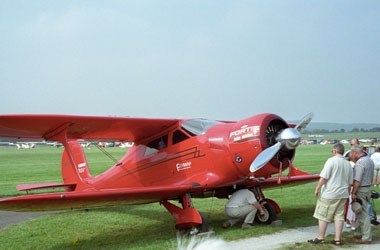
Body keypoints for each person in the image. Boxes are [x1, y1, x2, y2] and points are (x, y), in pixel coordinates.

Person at [308, 143, 353, 245]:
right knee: (339, 216)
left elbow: (324, 177)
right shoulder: (348, 164)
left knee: (323, 215)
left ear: (334, 151)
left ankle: (320, 237)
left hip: (330, 193)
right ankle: (337, 239)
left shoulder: (331, 161)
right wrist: (348, 193)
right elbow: (350, 183)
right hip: (343, 194)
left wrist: (317, 188)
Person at [350, 144, 374, 244]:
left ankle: (366, 237)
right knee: (359, 212)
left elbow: (357, 180)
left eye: (352, 153)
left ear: (356, 152)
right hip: (368, 188)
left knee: (363, 213)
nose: (351, 155)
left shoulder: (360, 163)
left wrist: (353, 192)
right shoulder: (369, 160)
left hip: (361, 189)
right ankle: (358, 233)